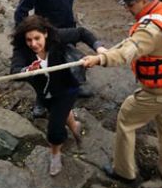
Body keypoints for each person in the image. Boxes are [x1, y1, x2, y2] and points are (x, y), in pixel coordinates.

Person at [81, 0, 162, 187]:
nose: (128, 10)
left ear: (143, 1)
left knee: (126, 119)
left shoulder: (149, 32)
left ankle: (124, 171)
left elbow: (127, 53)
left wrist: (98, 59)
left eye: (131, 5)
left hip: (160, 90)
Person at [15, 0, 125, 112]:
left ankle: (74, 85)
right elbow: (21, 12)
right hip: (47, 32)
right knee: (45, 68)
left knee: (69, 59)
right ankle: (41, 99)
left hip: (68, 25)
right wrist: (28, 36)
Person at [10, 16, 99, 176]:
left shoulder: (57, 37)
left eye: (37, 38)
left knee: (54, 128)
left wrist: (100, 49)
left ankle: (55, 153)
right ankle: (75, 125)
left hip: (67, 87)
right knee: (59, 111)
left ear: (45, 34)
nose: (33, 44)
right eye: (29, 40)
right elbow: (15, 71)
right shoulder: (22, 49)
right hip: (44, 91)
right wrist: (27, 70)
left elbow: (81, 33)